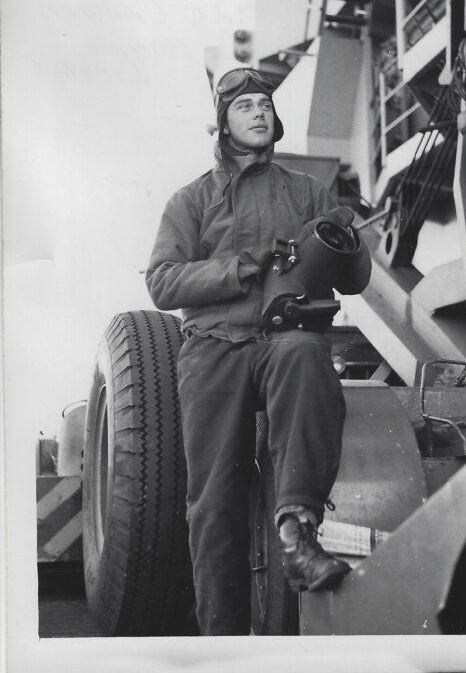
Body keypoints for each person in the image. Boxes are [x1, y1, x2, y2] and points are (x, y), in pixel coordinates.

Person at [145, 67, 371, 635]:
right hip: (213, 349)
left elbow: (357, 282)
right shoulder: (191, 199)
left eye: (265, 103)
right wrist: (238, 269)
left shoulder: (307, 191)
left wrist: (348, 238)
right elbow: (163, 282)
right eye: (245, 105)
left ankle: (298, 534)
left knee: (306, 353)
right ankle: (222, 642)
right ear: (223, 123)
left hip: (280, 338)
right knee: (214, 502)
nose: (259, 112)